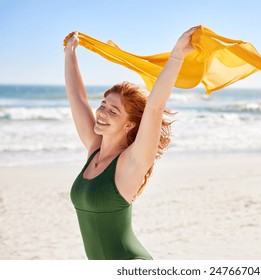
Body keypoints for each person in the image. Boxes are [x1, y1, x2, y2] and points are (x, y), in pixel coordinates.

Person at [64, 26, 199, 260]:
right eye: (103, 105)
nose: (102, 113)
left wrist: (176, 55)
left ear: (129, 125)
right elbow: (77, 97)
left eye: (113, 111)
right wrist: (70, 54)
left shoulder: (131, 162)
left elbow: (155, 107)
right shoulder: (94, 150)